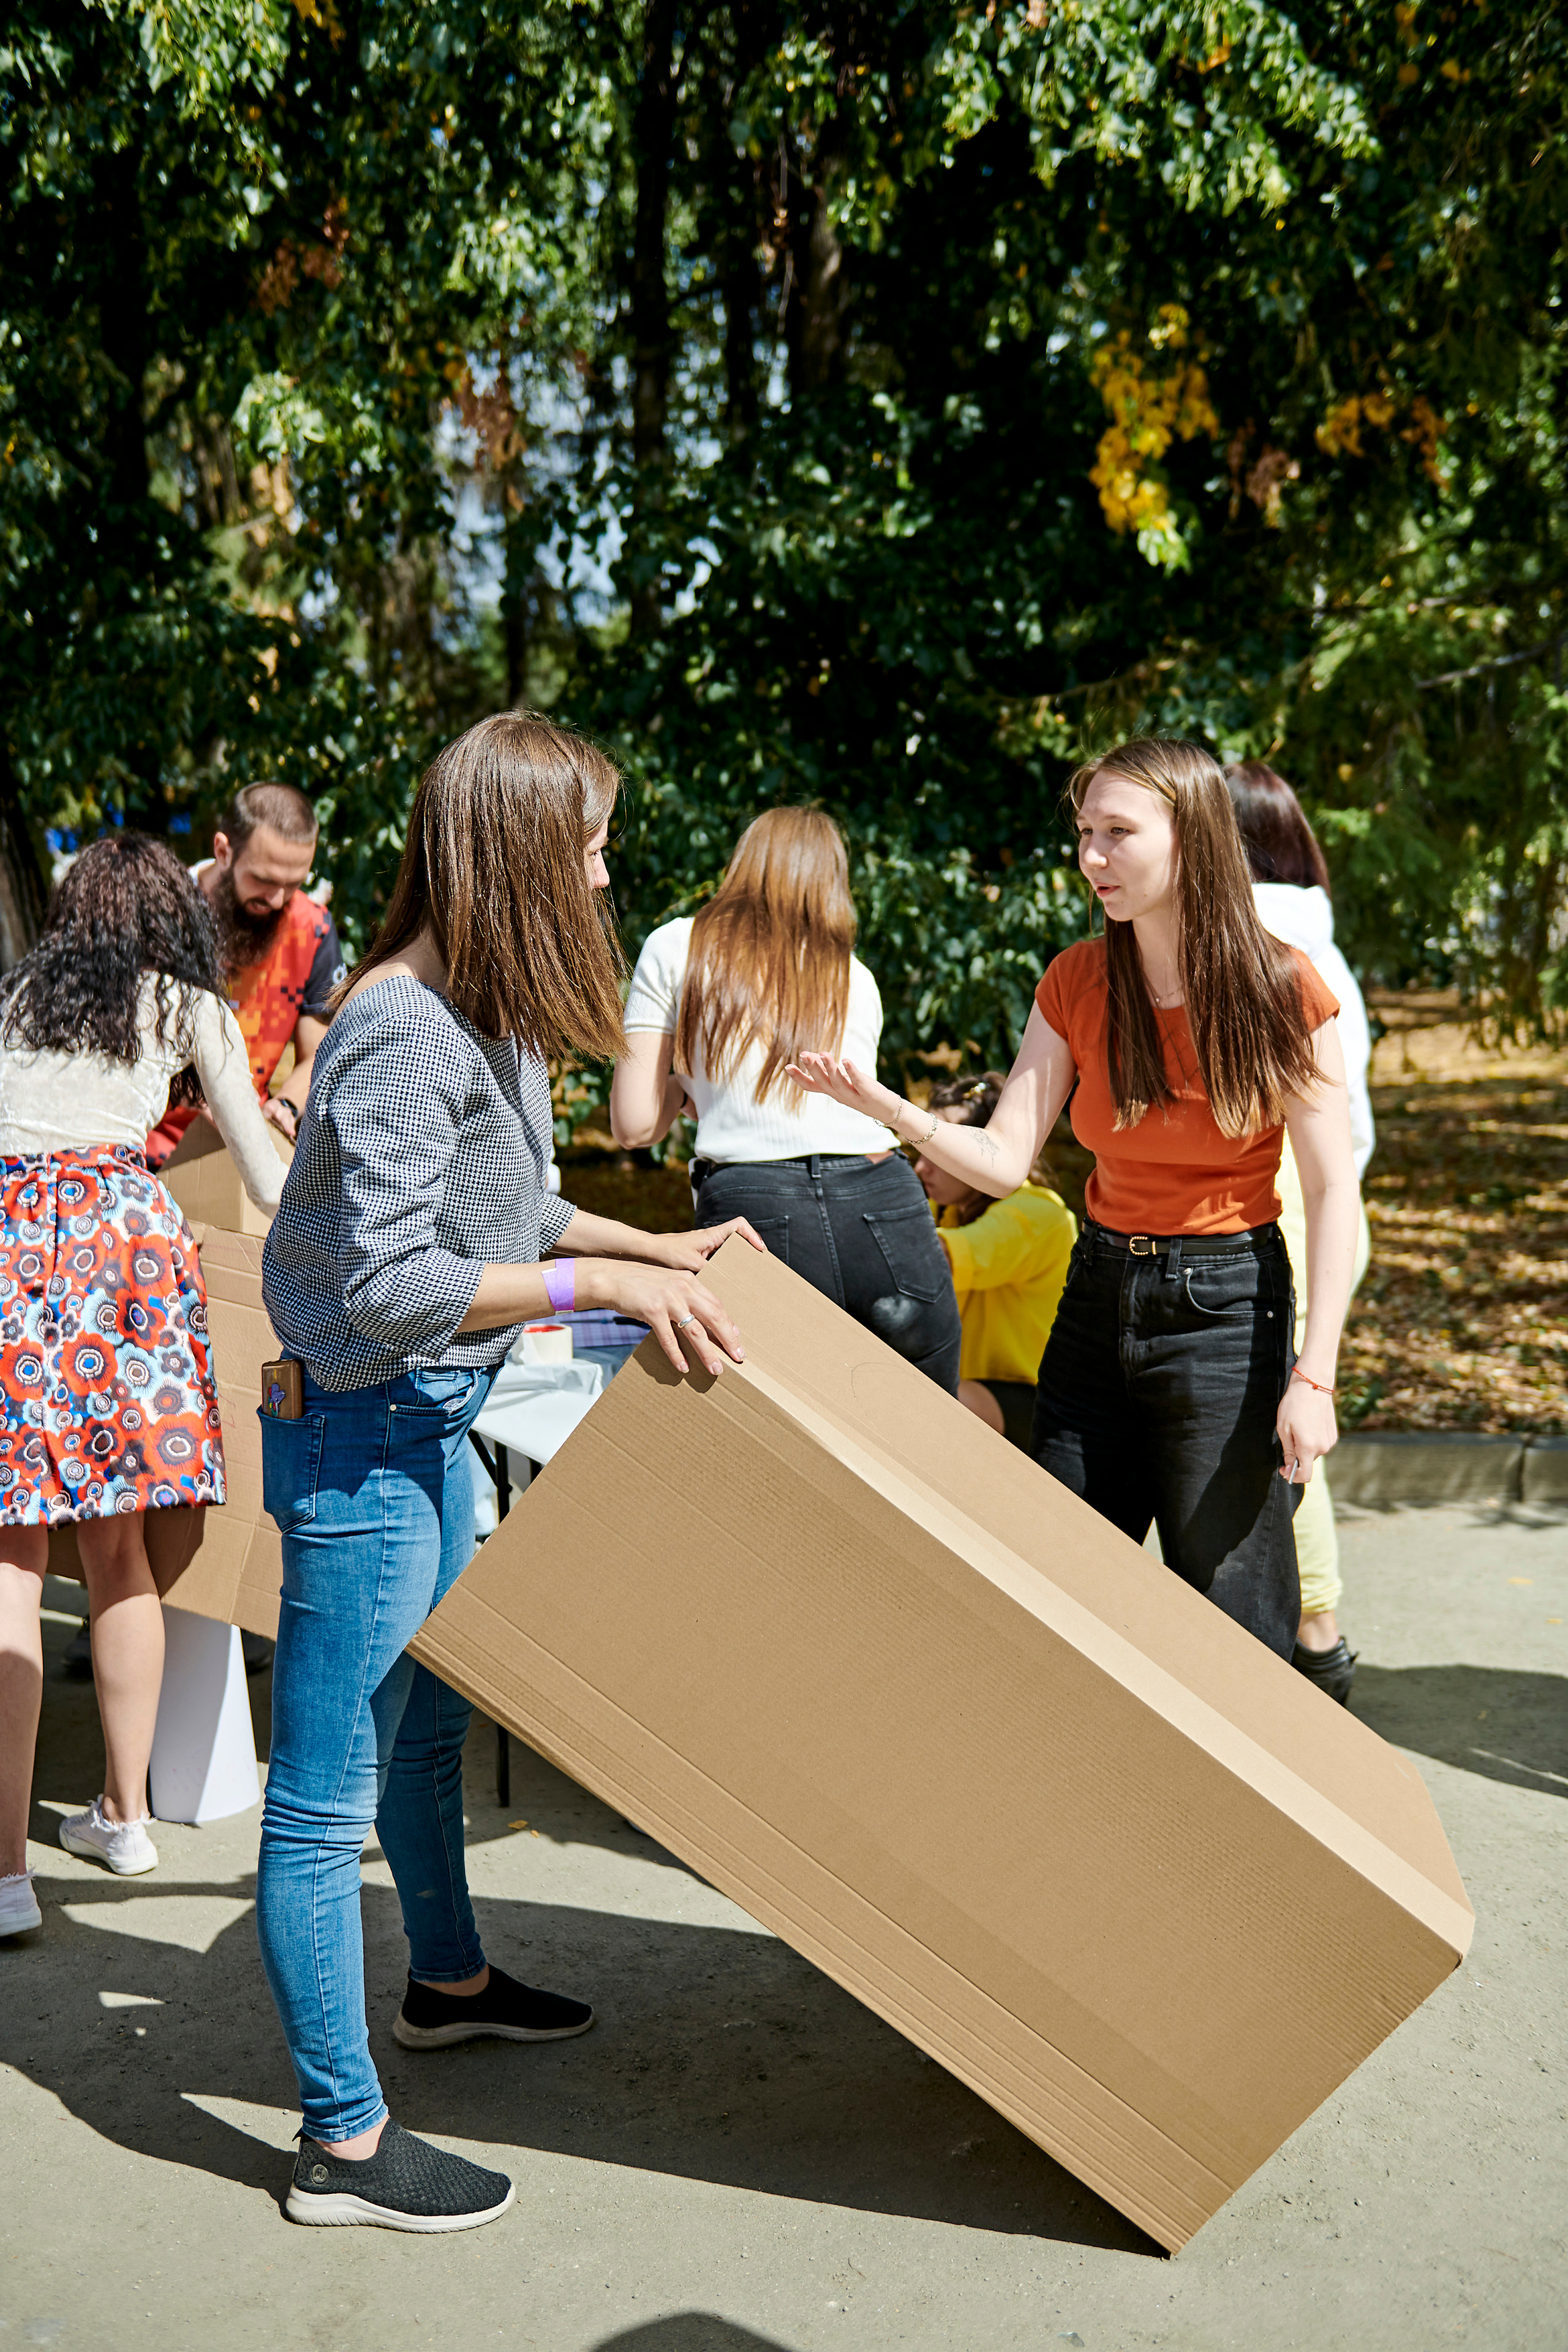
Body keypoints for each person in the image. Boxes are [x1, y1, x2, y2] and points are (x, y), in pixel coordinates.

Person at [256, 712, 763, 2233]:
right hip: (363, 1435)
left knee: (428, 1730)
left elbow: (514, 1208)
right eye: (589, 845)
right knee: (321, 1799)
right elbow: (392, 1286)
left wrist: (649, 1247)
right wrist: (599, 1292)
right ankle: (340, 2146)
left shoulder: (484, 1010)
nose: (604, 872)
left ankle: (448, 1982)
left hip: (425, 1424)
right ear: (521, 855)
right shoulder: (401, 1028)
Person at [789, 737, 1362, 1664]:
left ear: (1192, 838)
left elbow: (1333, 1189)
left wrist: (1316, 1376)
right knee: (1056, 1591)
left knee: (1233, 1625)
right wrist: (888, 1108)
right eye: (1085, 833)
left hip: (1226, 1311)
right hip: (1098, 1300)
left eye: (1118, 833)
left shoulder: (1281, 987)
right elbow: (1003, 1158)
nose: (1092, 856)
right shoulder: (1077, 979)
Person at [0, 835, 285, 1937]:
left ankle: (7, 1878)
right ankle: (125, 1819)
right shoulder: (185, 1005)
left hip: (12, 1246)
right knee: (119, 1548)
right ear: (172, 913)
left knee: (13, 1560)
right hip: (126, 1253)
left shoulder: (12, 1000)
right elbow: (265, 1177)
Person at [610, 807, 961, 1391]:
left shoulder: (677, 945)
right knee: (920, 1428)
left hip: (755, 1209)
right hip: (886, 1203)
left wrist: (682, 1087)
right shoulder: (856, 976)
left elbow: (633, 1125)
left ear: (745, 863)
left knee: (762, 1430)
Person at [1226, 761, 1375, 1705]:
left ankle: (1317, 1637)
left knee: (1281, 1425)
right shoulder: (1319, 937)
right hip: (1335, 1198)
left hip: (1279, 1193)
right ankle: (1316, 1636)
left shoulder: (1257, 946)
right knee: (1288, 1416)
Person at [145, 782, 344, 1164]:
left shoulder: (313, 930)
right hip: (140, 1150)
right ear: (223, 851)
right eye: (264, 880)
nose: (278, 900)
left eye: (294, 884)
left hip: (239, 1155)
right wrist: (201, 1093)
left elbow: (320, 1055)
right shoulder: (157, 914)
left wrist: (286, 1105)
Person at [912, 1072, 1077, 1449]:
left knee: (929, 1397)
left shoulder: (1038, 1212)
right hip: (970, 1389)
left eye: (942, 1149)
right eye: (923, 1148)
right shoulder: (948, 1207)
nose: (922, 1167)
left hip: (1040, 1405)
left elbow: (937, 1256)